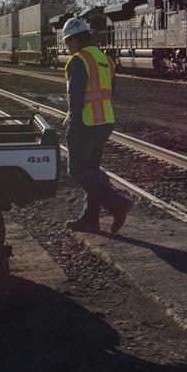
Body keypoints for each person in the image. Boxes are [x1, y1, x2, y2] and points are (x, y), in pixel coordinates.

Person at [61, 17, 132, 234]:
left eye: (67, 42)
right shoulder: (105, 60)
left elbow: (76, 95)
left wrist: (73, 123)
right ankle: (90, 219)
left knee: (77, 171)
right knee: (91, 170)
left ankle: (117, 203)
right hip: (105, 121)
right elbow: (111, 92)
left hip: (85, 123)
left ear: (75, 39)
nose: (67, 47)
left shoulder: (79, 60)